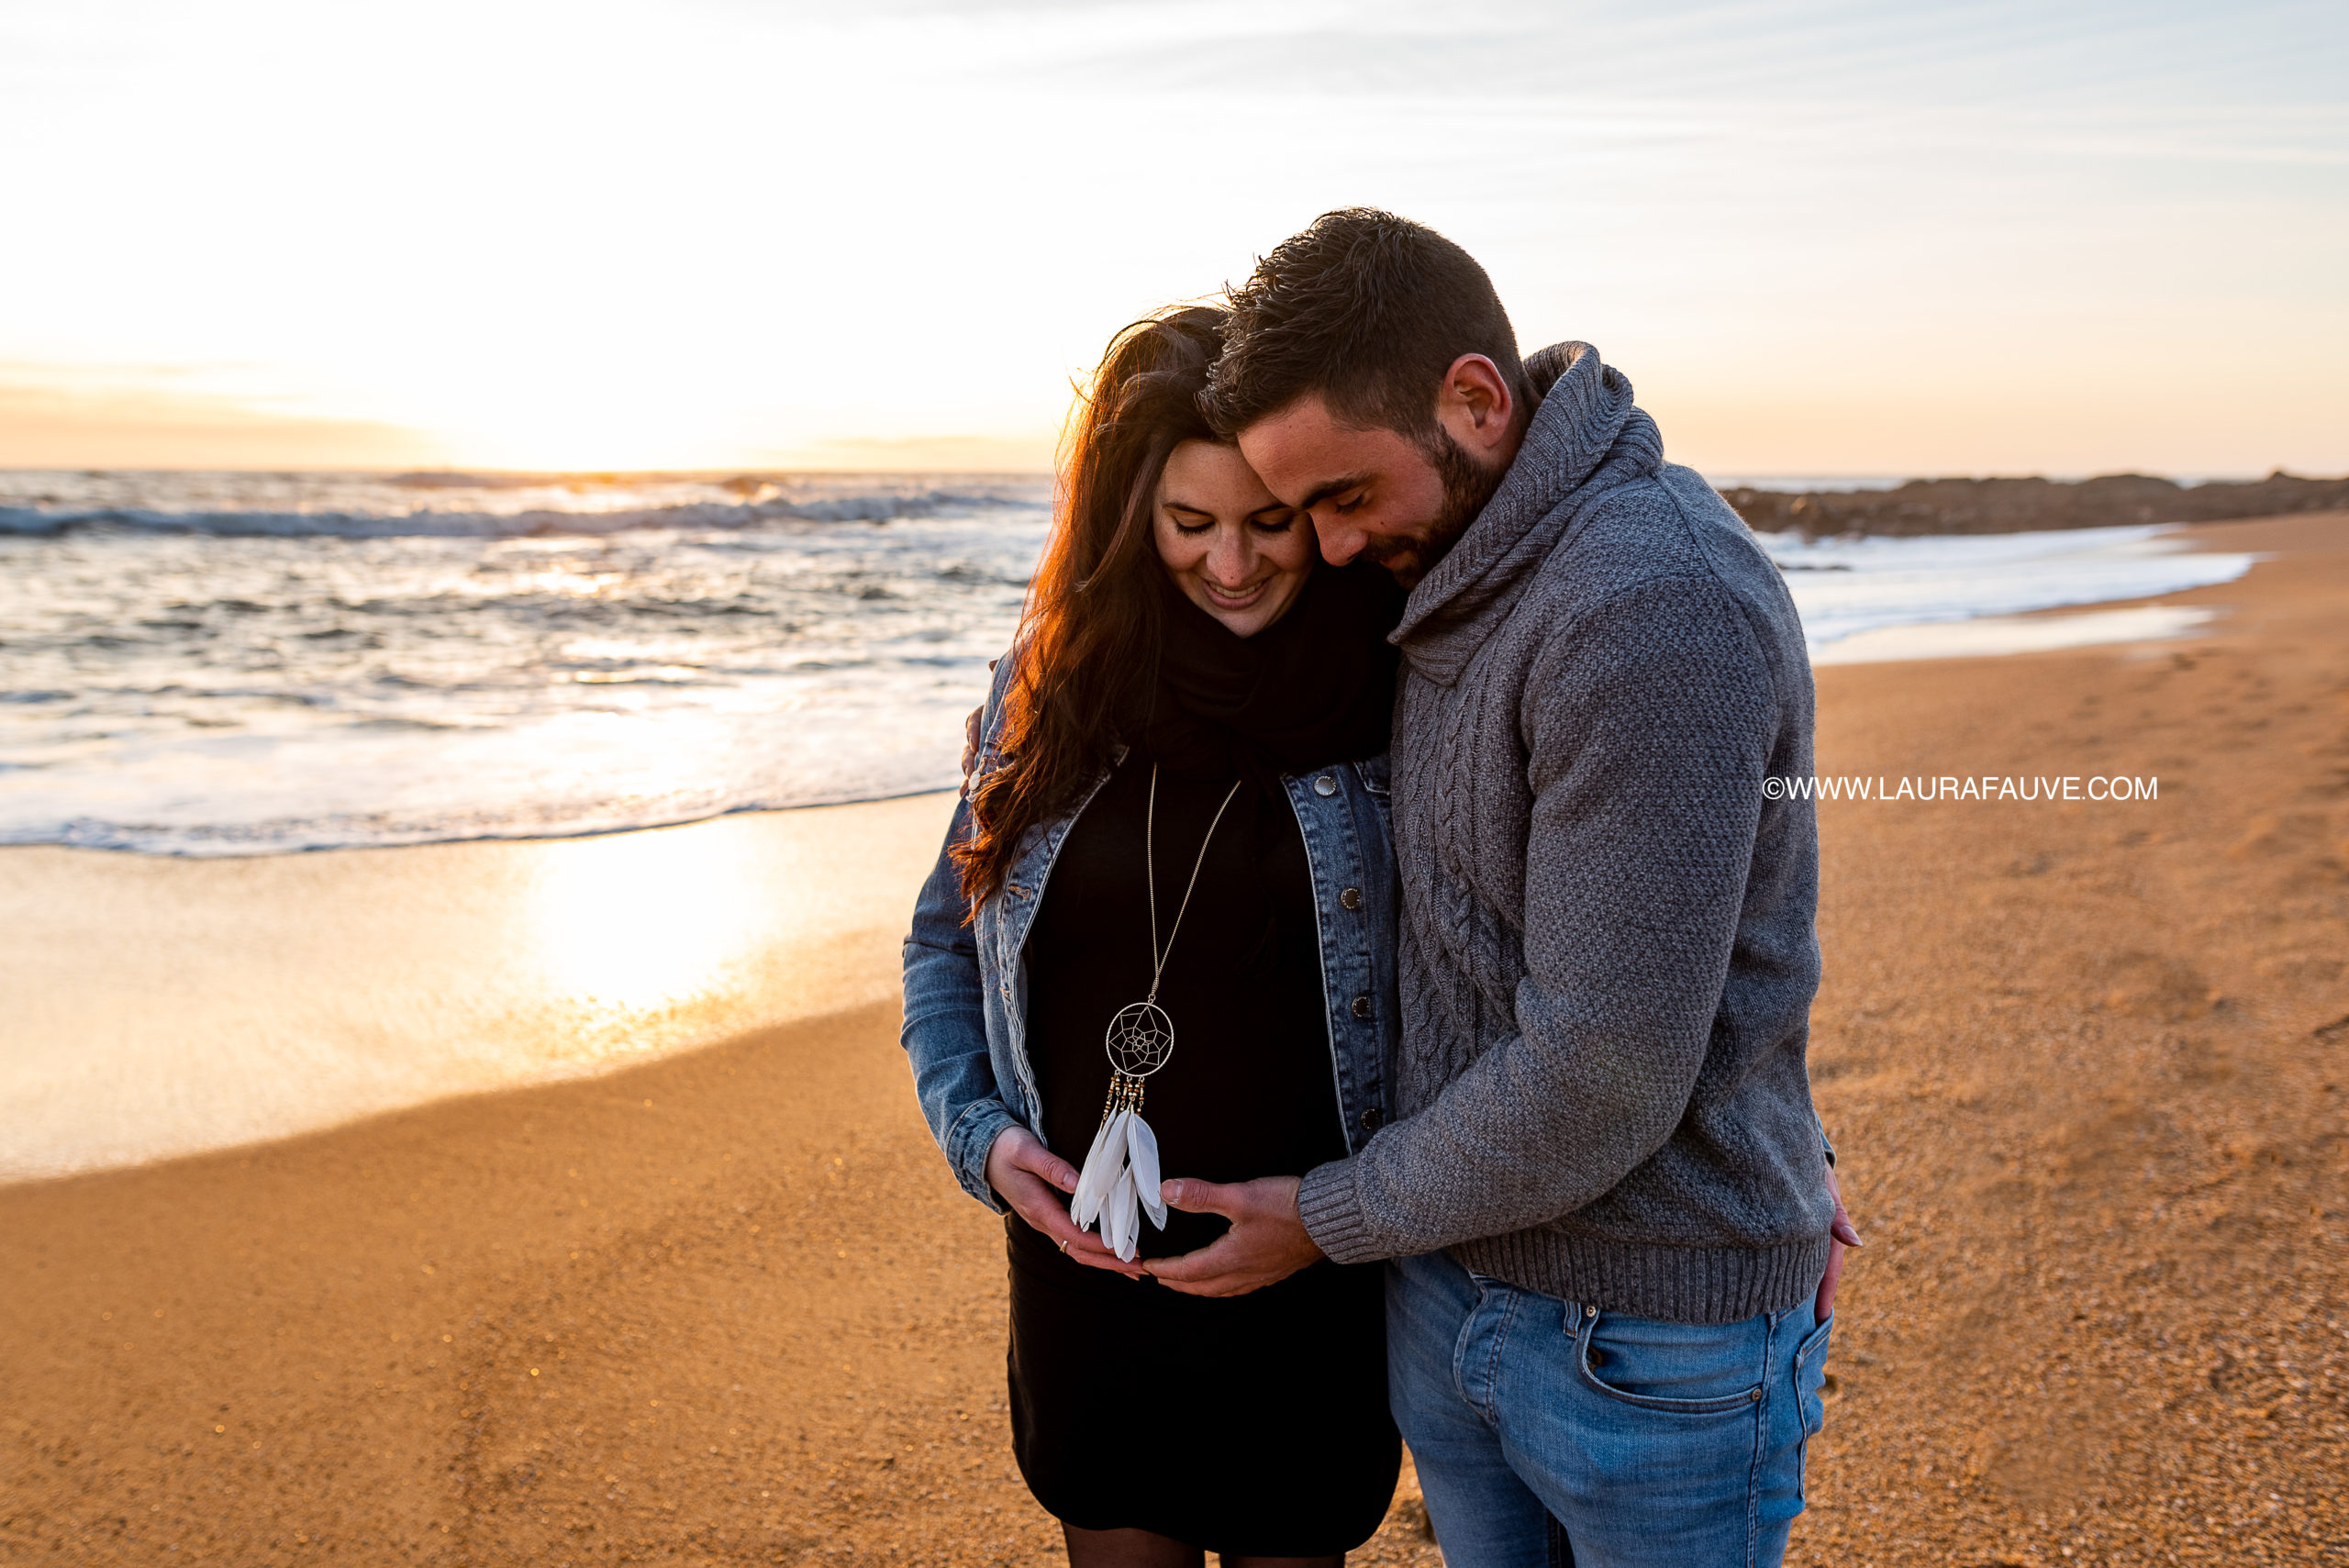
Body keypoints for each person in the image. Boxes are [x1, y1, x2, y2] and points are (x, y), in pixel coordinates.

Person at [1138, 210, 1864, 1568]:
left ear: (1475, 399)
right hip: (1452, 1289)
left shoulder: (1649, 604)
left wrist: (1330, 1218)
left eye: (1348, 498)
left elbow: (1604, 1066)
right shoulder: (1447, 568)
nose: (1333, 549)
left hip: (1645, 1341)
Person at [901, 305, 1408, 1567]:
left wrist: (1339, 1217)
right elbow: (941, 941)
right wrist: (982, 1137)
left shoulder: (1395, 692)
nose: (1232, 564)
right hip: (1091, 1281)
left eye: (1268, 522)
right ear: (1131, 522)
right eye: (1190, 526)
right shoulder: (1049, 683)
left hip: (1307, 1274)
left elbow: (1530, 954)